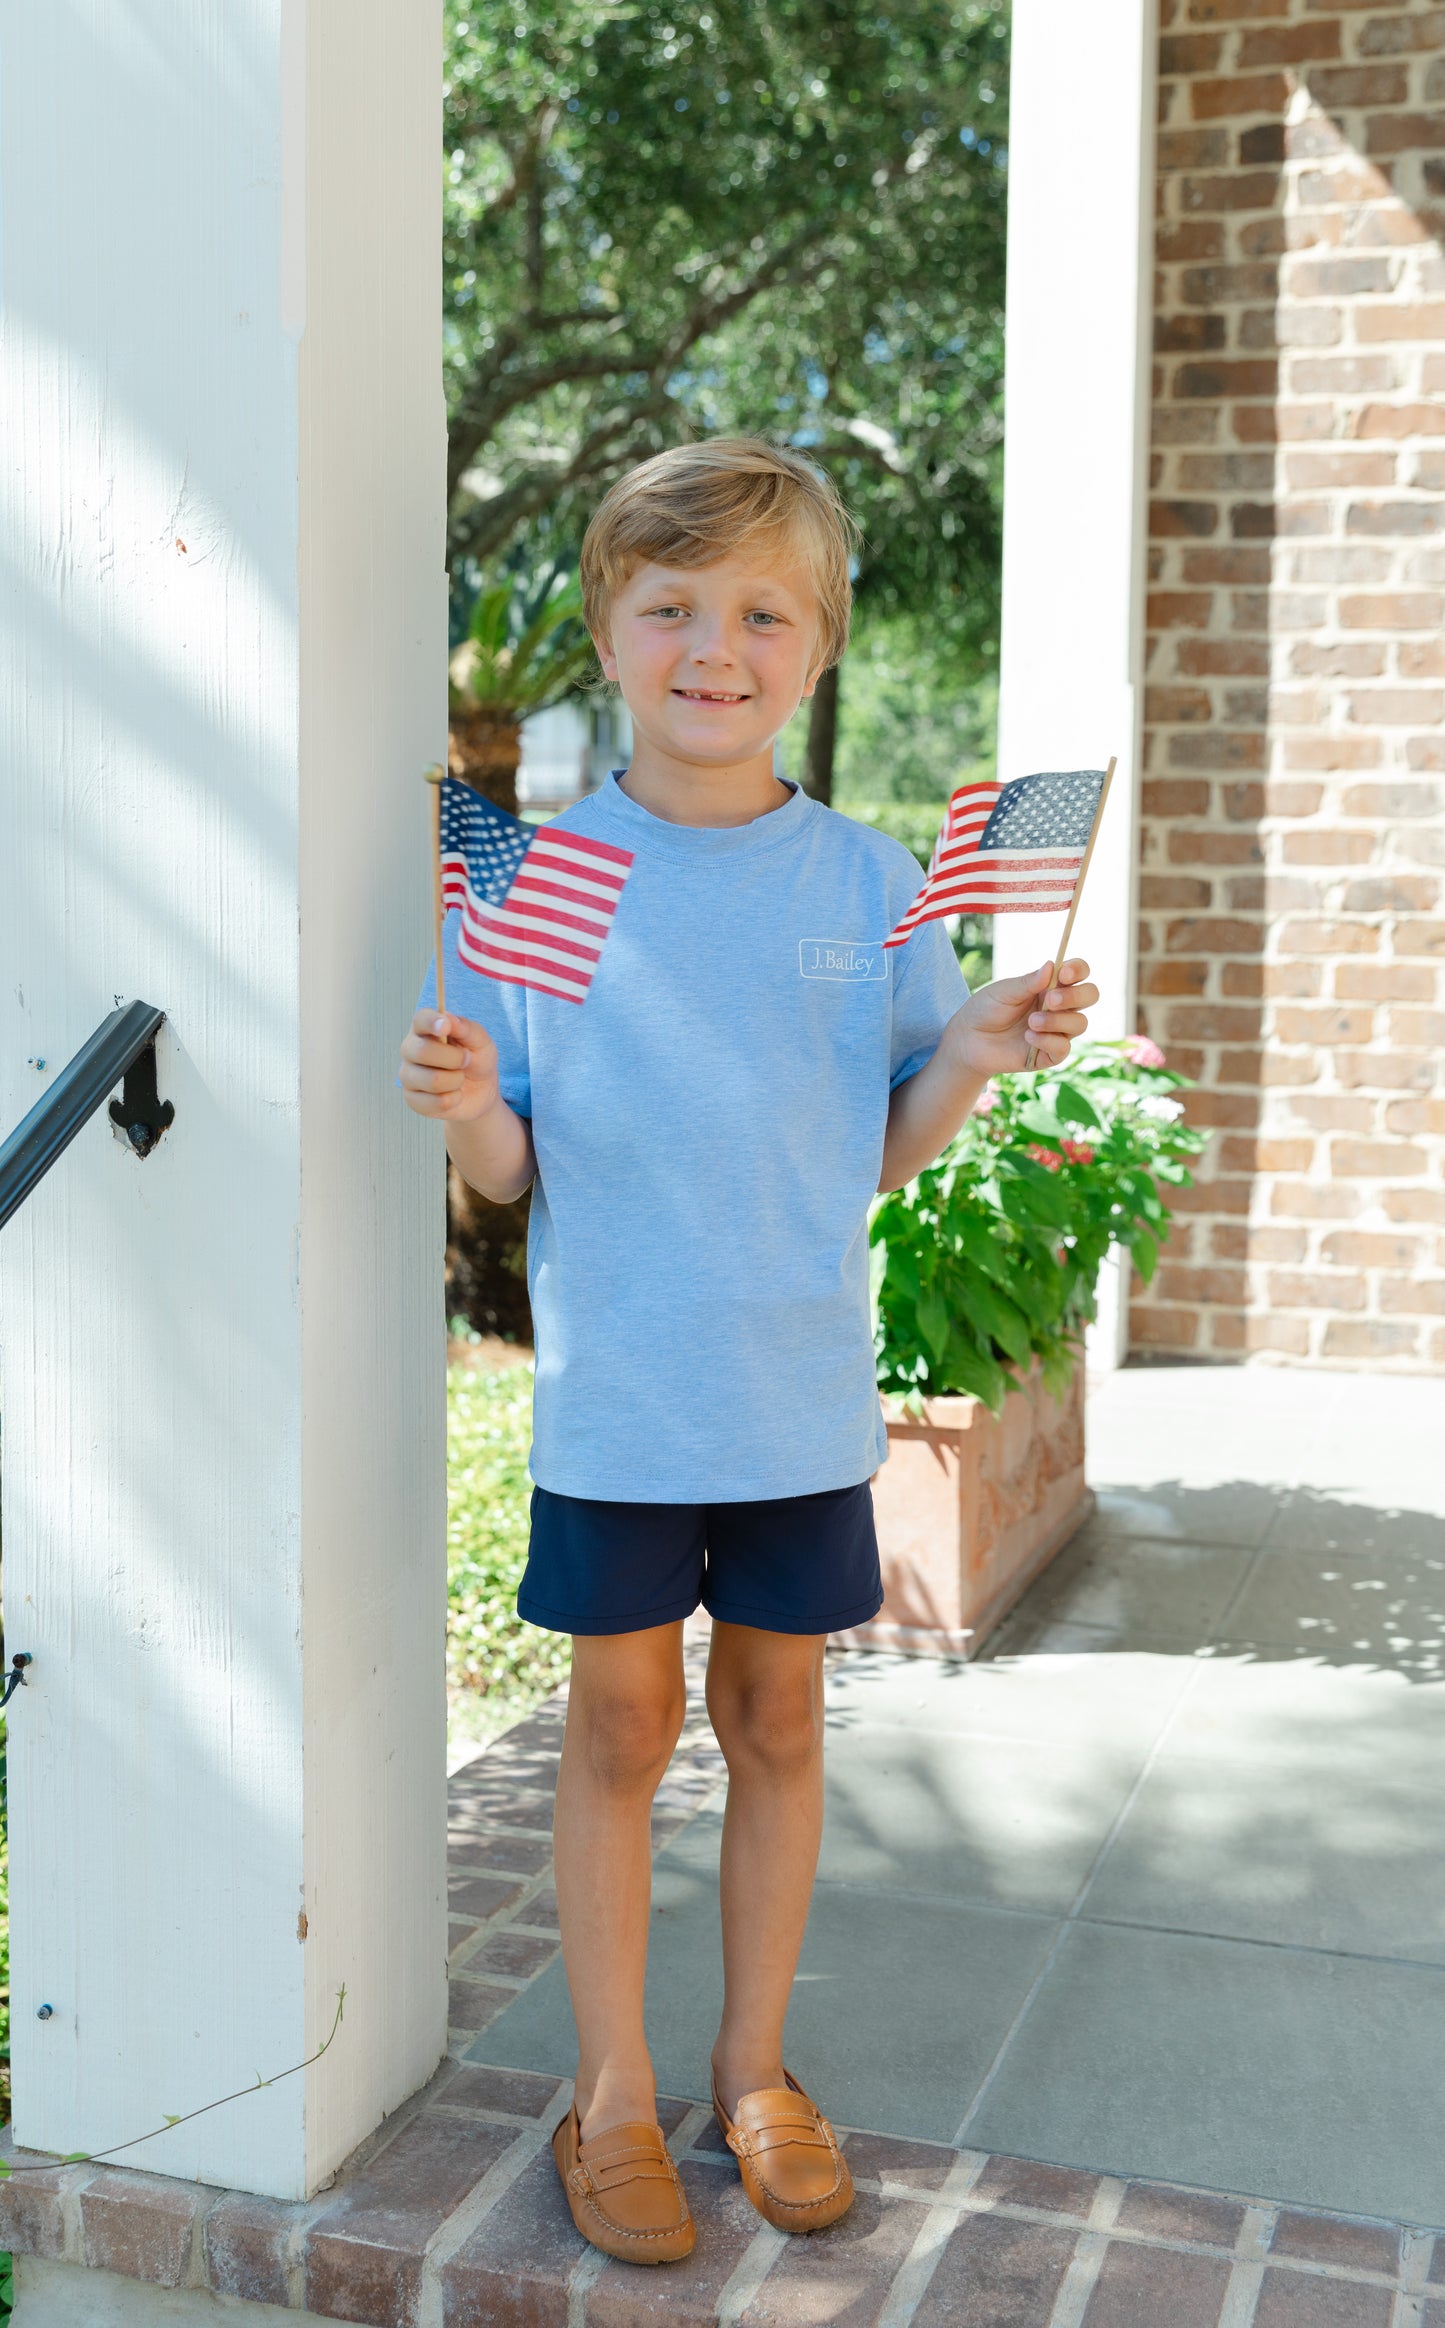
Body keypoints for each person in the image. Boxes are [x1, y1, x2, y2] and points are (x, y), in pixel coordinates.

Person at [399, 438, 1097, 2266]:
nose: (718, 643)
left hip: (795, 1390)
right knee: (621, 1727)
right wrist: (472, 1105)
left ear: (820, 644)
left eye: (761, 611)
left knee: (777, 1719)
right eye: (673, 607)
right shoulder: (543, 877)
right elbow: (512, 1170)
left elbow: (873, 1137)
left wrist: (977, 1051)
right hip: (620, 1398)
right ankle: (610, 2095)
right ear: (610, 638)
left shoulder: (869, 881)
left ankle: (755, 2071)